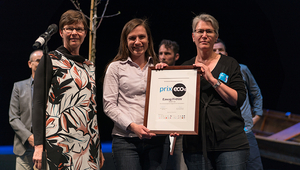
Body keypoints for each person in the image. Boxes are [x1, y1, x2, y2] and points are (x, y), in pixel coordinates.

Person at [32, 10, 103, 170]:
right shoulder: (50, 59)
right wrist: (38, 145)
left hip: (87, 145)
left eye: (79, 29)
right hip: (59, 143)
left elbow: (91, 109)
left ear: (85, 33)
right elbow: (38, 103)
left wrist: (97, 146)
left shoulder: (89, 66)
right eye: (69, 28)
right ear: (61, 32)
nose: (74, 33)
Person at [181, 14, 249, 170]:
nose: (204, 35)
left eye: (209, 31)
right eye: (200, 31)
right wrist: (160, 74)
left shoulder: (229, 63)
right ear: (193, 36)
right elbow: (177, 102)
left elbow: (237, 99)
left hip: (230, 143)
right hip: (195, 146)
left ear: (216, 36)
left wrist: (212, 79)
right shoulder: (185, 67)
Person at [103, 18, 168, 170]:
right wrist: (133, 127)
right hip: (125, 141)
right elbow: (109, 105)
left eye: (141, 37)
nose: (137, 42)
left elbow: (167, 102)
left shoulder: (157, 68)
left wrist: (166, 76)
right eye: (132, 38)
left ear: (148, 39)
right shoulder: (115, 68)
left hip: (155, 140)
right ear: (125, 41)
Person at [213, 38, 263, 170]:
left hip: (245, 130)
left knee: (254, 167)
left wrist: (257, 115)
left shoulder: (242, 69)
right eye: (214, 50)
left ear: (226, 53)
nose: (219, 52)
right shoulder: (209, 74)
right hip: (223, 133)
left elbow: (256, 93)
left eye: (221, 50)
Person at [9, 50, 43, 170]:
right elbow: (13, 118)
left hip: (46, 148)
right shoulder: (19, 87)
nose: (42, 63)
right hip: (24, 148)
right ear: (30, 64)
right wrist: (29, 137)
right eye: (38, 60)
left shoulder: (53, 88)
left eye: (44, 61)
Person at [158, 39, 187, 170]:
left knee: (178, 165)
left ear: (176, 56)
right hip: (157, 130)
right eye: (160, 53)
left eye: (167, 53)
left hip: (179, 130)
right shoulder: (154, 75)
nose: (163, 57)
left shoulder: (184, 76)